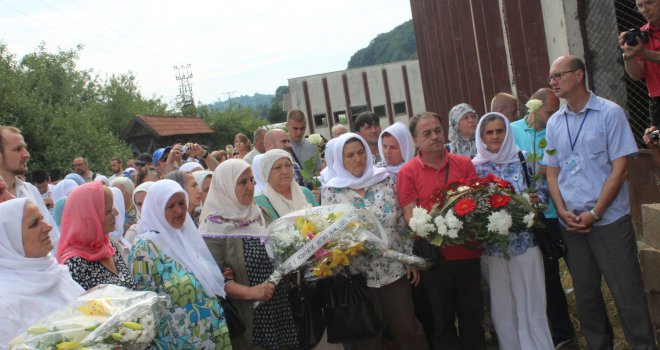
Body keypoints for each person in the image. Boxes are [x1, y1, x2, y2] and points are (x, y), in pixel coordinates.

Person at [545, 55, 656, 349]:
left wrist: (595, 212)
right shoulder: (555, 122)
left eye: (558, 75)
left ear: (579, 75)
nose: (553, 82)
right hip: (572, 224)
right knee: (587, 298)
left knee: (627, 294)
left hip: (609, 222)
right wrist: (561, 211)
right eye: (551, 77)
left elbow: (620, 169)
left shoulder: (610, 113)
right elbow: (552, 174)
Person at [322, 133, 427, 350]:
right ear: (339, 160)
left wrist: (409, 259)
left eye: (361, 152)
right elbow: (330, 236)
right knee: (368, 339)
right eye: (349, 155)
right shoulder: (331, 192)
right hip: (358, 277)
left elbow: (400, 222)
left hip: (393, 270)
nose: (357, 159)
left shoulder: (384, 179)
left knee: (408, 330)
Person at [397, 112, 485, 350]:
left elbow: (474, 203)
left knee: (472, 316)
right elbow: (409, 214)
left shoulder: (464, 164)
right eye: (427, 133)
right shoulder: (407, 172)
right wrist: (436, 229)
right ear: (415, 140)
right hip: (434, 257)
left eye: (437, 130)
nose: (435, 136)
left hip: (467, 253)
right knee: (441, 321)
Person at [472, 112, 554, 349]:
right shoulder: (475, 168)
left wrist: (533, 201)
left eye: (500, 131)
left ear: (508, 132)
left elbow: (544, 195)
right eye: (490, 132)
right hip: (493, 251)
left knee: (532, 304)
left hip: (525, 245)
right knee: (503, 307)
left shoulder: (525, 159)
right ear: (482, 137)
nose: (496, 136)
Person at [199, 159, 295, 350]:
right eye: (242, 182)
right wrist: (252, 292)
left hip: (277, 307)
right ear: (226, 186)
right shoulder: (213, 227)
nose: (250, 187)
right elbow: (213, 281)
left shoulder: (258, 213)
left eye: (252, 180)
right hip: (249, 315)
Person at [129, 179, 231, 349]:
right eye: (170, 206)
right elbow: (144, 308)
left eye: (182, 203)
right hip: (177, 342)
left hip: (211, 334)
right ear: (156, 209)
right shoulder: (145, 249)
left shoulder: (186, 236)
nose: (178, 210)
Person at [510, 87, 575, 348]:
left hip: (559, 210)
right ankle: (562, 334)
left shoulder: (556, 128)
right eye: (549, 112)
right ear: (534, 108)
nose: (553, 117)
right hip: (534, 217)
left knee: (578, 270)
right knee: (549, 278)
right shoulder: (512, 131)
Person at [0, 198, 85, 345]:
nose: (47, 227)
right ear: (9, 239)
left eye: (42, 219)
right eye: (34, 224)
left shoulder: (54, 272)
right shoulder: (5, 303)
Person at [56, 182, 135, 291]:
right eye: (109, 210)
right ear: (89, 217)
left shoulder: (108, 246)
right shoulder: (74, 264)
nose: (116, 213)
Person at [0, 126, 60, 251]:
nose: (27, 154)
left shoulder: (30, 190)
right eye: (17, 149)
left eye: (25, 148)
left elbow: (54, 238)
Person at [620, 0, 660, 128]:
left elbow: (644, 53)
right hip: (657, 99)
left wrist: (643, 53)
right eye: (640, 6)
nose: (644, 10)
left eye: (649, 3)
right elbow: (636, 75)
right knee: (655, 142)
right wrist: (628, 55)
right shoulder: (642, 34)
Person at [254, 149, 318, 222]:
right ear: (266, 172)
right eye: (278, 167)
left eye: (288, 165)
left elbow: (320, 219)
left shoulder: (306, 193)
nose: (285, 171)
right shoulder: (260, 202)